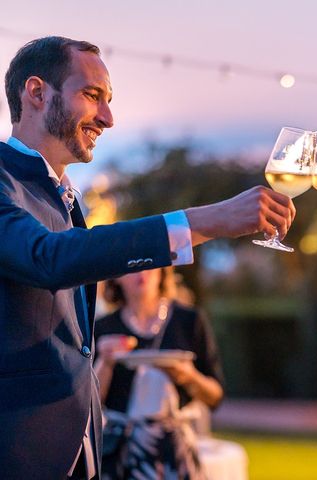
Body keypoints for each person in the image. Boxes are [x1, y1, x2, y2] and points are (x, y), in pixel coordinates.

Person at [0, 36, 295, 479]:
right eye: (92, 95)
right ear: (37, 92)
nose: (108, 117)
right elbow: (49, 258)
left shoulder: (66, 198)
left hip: (80, 452)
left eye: (109, 100)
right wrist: (202, 221)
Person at [94, 267, 222, 479]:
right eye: (132, 266)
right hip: (120, 456)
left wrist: (188, 376)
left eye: (149, 263)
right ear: (116, 277)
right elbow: (89, 405)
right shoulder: (103, 328)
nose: (141, 272)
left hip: (176, 455)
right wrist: (105, 362)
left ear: (163, 271)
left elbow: (215, 397)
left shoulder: (188, 321)